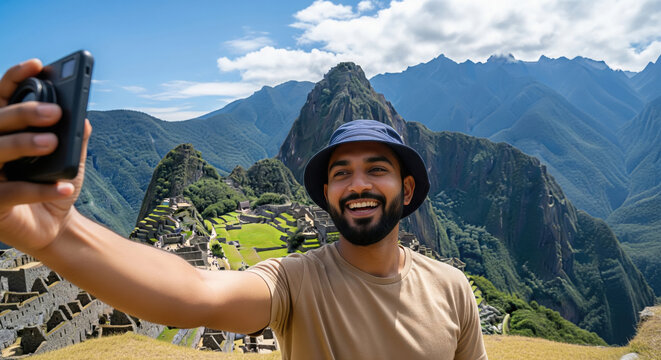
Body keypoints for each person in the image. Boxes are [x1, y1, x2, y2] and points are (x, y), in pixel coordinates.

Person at [0, 59, 487, 359]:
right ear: (327, 194)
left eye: (375, 169)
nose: (357, 184)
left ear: (405, 189)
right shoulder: (296, 284)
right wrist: (57, 234)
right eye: (341, 173)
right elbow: (194, 292)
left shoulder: (452, 288)